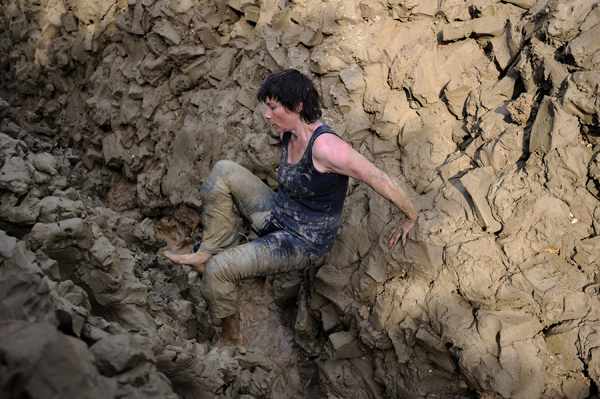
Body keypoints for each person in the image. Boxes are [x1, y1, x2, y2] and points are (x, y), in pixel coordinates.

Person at [163, 69, 417, 347]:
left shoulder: (327, 148)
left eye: (273, 108)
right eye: (266, 107)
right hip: (278, 215)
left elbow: (377, 177)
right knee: (223, 171)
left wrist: (410, 216)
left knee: (220, 270)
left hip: (301, 241)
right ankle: (209, 250)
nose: (266, 114)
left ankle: (231, 337)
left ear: (297, 107)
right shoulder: (288, 133)